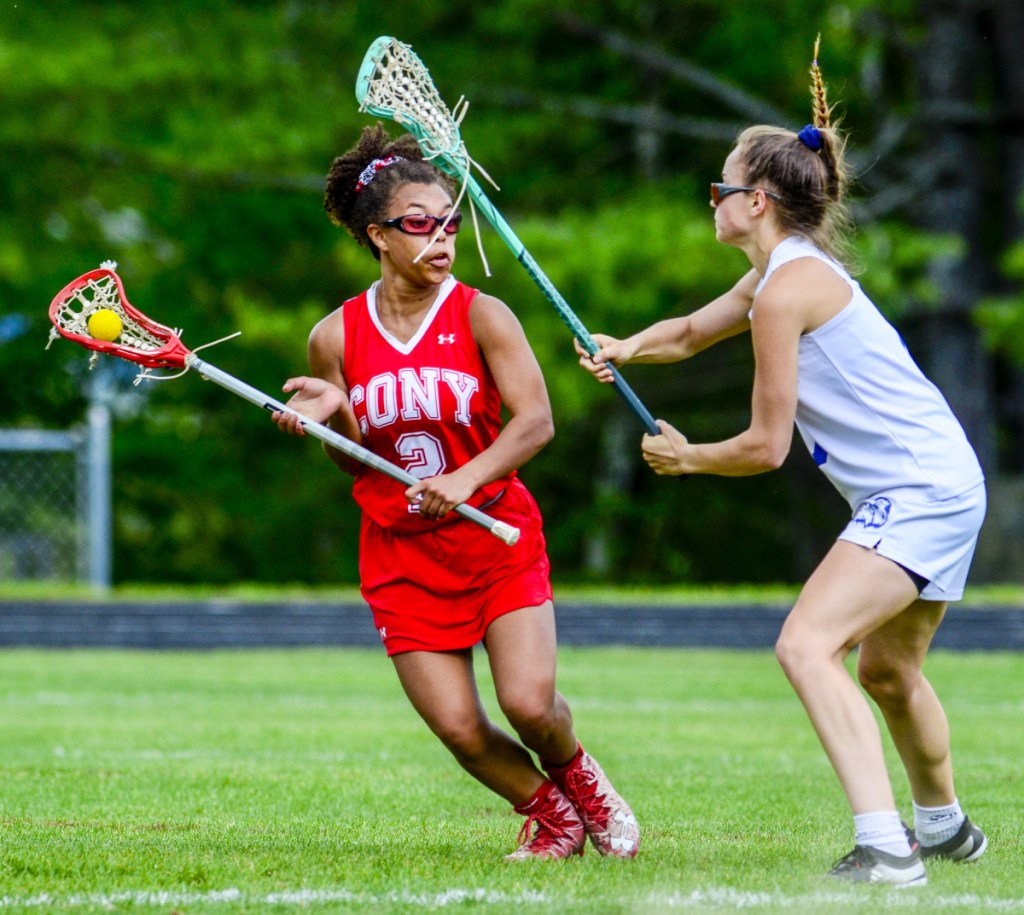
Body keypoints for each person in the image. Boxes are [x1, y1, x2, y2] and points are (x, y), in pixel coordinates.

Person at [576, 43, 986, 886]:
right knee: (888, 667)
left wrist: (689, 459)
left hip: (917, 489)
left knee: (806, 644)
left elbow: (765, 448)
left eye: (720, 188)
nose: (713, 199)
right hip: (945, 480)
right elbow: (690, 331)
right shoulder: (782, 271)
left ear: (755, 202)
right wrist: (626, 347)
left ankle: (886, 848)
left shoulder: (786, 291)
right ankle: (943, 828)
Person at [271, 124, 639, 861]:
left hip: (495, 535)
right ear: (377, 234)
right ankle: (553, 816)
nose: (441, 238)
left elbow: (536, 421)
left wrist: (468, 478)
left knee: (530, 705)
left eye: (449, 223)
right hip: (402, 556)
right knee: (461, 728)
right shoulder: (333, 337)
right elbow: (357, 465)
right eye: (419, 224)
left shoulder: (480, 313)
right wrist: (332, 417)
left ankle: (582, 781)